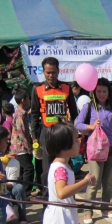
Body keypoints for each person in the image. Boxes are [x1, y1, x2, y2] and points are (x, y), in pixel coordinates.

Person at [74, 78, 112, 224]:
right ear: (94, 92)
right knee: (94, 181)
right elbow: (77, 124)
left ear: (109, 92)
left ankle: (105, 208)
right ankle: (88, 211)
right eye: (99, 91)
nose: (101, 94)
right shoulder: (89, 107)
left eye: (104, 91)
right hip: (95, 149)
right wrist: (90, 127)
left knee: (108, 182)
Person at [30, 57, 78, 185]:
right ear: (43, 72)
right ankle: (47, 194)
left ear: (58, 71)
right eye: (48, 72)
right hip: (47, 133)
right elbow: (34, 115)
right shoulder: (37, 89)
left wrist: (74, 132)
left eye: (53, 72)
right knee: (47, 169)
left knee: (66, 165)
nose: (51, 75)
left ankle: (67, 191)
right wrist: (34, 136)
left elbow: (74, 113)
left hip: (63, 133)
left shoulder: (66, 87)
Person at [10, 88, 34, 196]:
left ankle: (20, 192)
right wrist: (28, 146)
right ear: (23, 100)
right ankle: (25, 192)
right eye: (28, 98)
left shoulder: (22, 113)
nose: (30, 100)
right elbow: (21, 132)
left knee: (22, 170)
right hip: (21, 147)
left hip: (20, 146)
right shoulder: (20, 114)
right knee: (28, 169)